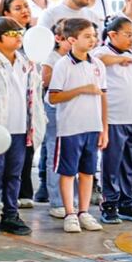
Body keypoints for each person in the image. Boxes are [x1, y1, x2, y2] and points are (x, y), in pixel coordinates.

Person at [0, 17, 45, 236]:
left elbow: (35, 95)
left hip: (20, 128)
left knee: (15, 173)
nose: (18, 38)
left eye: (19, 33)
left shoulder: (26, 63)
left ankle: (10, 214)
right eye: (11, 34)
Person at [48, 17, 106, 233]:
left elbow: (103, 97)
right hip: (70, 127)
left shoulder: (98, 64)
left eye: (94, 35)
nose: (92, 40)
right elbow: (53, 97)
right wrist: (81, 89)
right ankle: (70, 212)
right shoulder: (63, 65)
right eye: (87, 36)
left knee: (88, 171)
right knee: (68, 171)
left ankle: (84, 211)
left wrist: (104, 128)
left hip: (92, 126)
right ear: (71, 40)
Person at [92, 16, 132, 224]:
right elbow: (100, 60)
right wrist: (120, 59)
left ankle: (127, 199)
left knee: (130, 162)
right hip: (113, 119)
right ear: (112, 35)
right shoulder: (102, 53)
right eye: (127, 34)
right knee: (111, 162)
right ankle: (109, 202)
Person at [35, 20, 72, 219]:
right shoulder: (52, 57)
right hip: (53, 107)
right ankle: (56, 199)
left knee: (70, 152)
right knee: (54, 151)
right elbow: (46, 81)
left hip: (74, 109)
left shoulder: (81, 58)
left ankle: (69, 198)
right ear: (58, 39)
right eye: (69, 38)